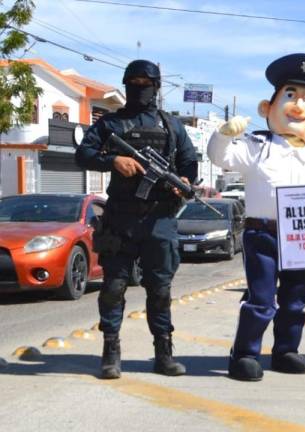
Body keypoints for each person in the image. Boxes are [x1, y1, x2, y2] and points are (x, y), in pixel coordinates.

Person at [207, 53, 305, 382]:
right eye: (290, 95)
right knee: (261, 300)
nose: (298, 105)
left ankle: (286, 349)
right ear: (267, 107)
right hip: (263, 235)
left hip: (304, 238)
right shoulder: (257, 146)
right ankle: (244, 353)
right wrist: (223, 134)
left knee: (296, 300)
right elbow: (220, 158)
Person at [75, 60, 197, 379]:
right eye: (134, 82)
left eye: (146, 83)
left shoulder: (172, 126)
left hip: (160, 220)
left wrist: (181, 180)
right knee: (113, 287)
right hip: (121, 219)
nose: (140, 88)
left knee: (159, 290)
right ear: (126, 84)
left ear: (156, 87)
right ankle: (110, 352)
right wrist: (113, 160)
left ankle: (163, 352)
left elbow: (189, 163)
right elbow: (83, 154)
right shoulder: (110, 124)